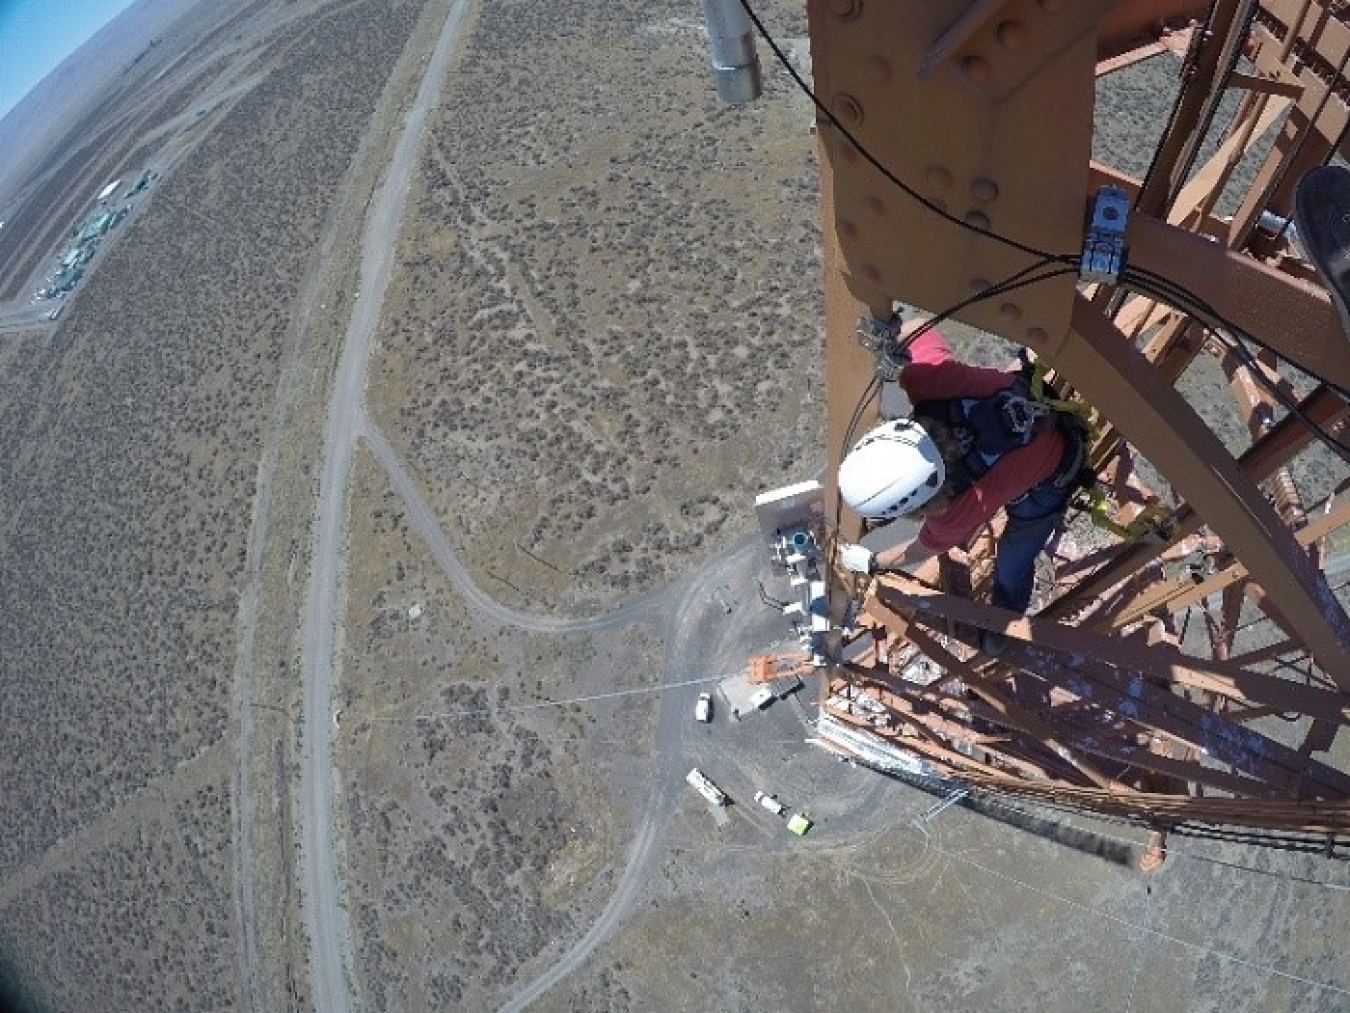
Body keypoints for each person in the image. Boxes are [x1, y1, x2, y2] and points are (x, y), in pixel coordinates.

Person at [837, 326, 1090, 655]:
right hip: (1030, 398)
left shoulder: (956, 511)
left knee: (1012, 564)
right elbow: (912, 328)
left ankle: (1003, 630)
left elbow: (921, 549)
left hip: (1050, 477)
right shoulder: (927, 383)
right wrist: (889, 353)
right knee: (1006, 384)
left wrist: (874, 561)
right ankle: (1000, 631)